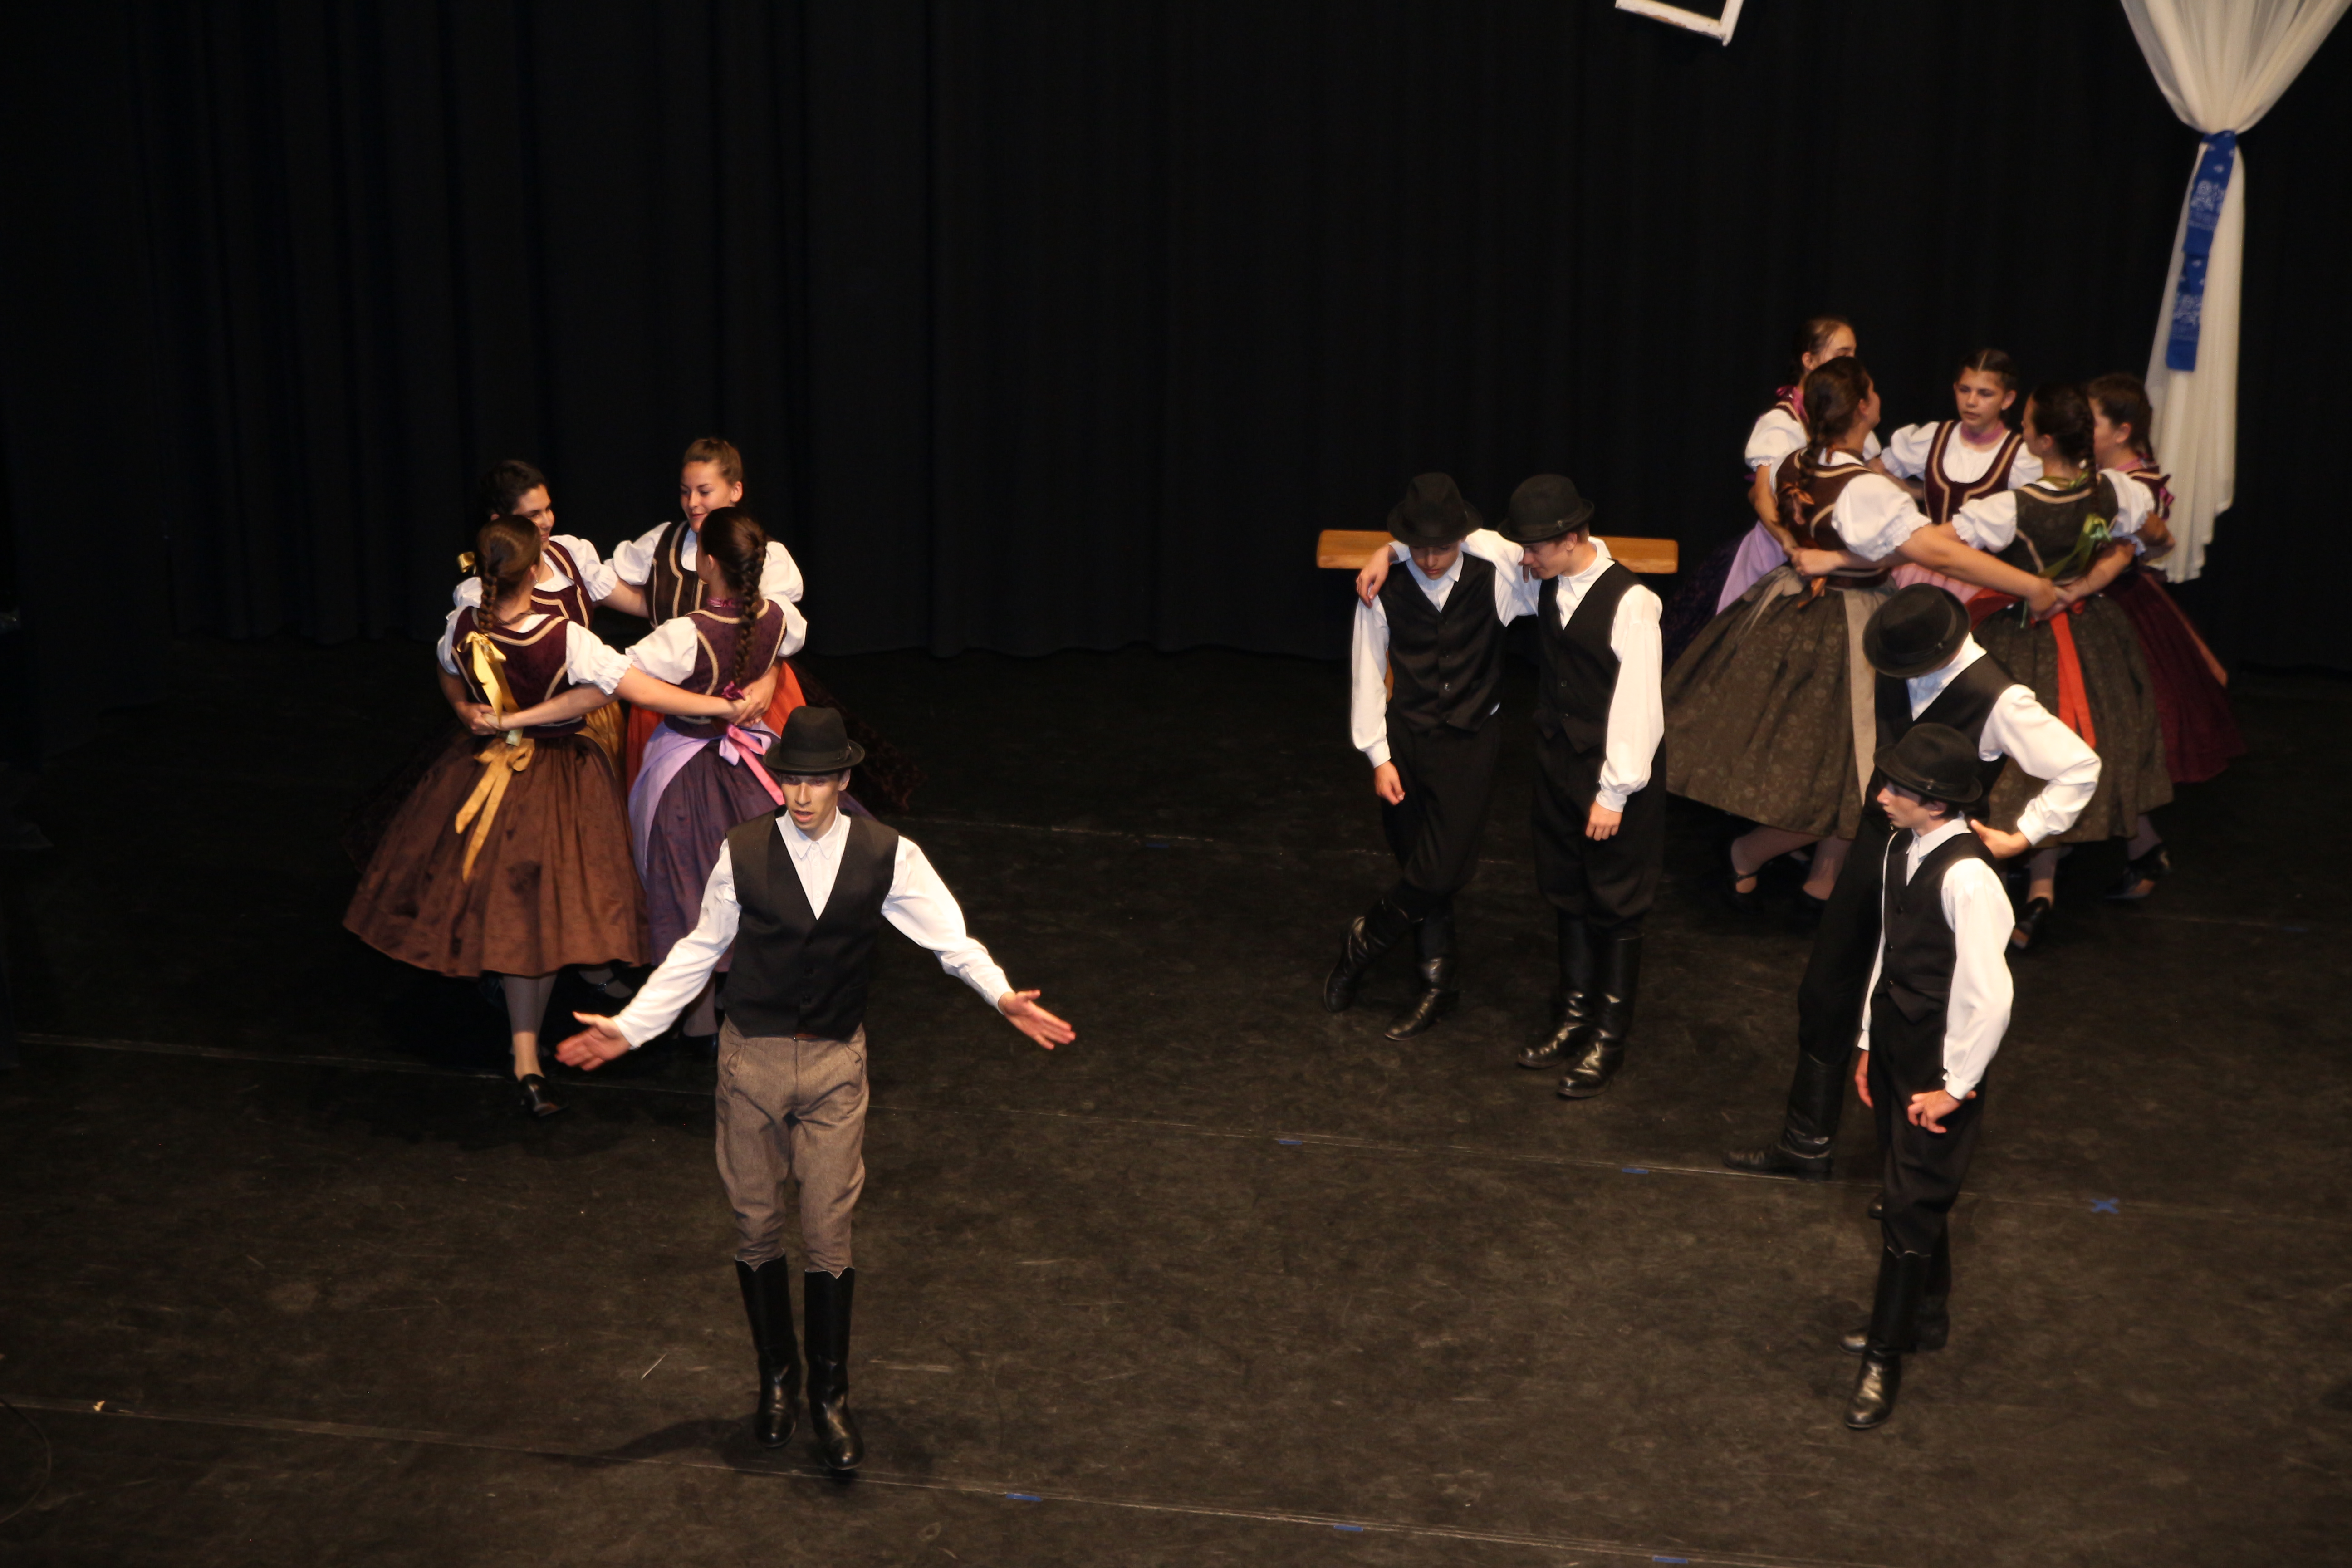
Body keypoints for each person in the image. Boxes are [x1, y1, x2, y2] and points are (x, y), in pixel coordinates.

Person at [554, 706, 1076, 1470]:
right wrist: (631, 1028)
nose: (801, 796)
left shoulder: (886, 854)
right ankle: (778, 1380)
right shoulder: (742, 850)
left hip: (834, 1066)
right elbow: (699, 950)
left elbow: (949, 939)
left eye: (817, 781)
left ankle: (830, 1396)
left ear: (841, 781)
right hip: (752, 1064)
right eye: (791, 781)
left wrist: (1000, 996)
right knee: (757, 1227)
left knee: (829, 1233)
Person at [343, 518, 761, 1117]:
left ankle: (526, 1059)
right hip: (555, 780)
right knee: (538, 912)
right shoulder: (563, 637)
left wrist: (468, 710)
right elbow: (628, 689)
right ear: (536, 571)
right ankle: (530, 1055)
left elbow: (447, 668)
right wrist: (718, 705)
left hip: (481, 770)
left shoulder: (463, 622)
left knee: (517, 913)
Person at [1722, 585, 2097, 1181]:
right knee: (1828, 987)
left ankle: (1909, 1173)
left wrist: (2023, 835)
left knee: (1922, 1009)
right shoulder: (1902, 660)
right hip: (1880, 845)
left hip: (1940, 860)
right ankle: (1806, 1141)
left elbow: (2079, 765)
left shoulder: (2000, 698)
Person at [1666, 358, 2060, 916]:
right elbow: (1938, 553)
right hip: (1845, 620)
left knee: (1848, 761)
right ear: (1861, 409)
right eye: (1872, 391)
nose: (1878, 397)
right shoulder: (1862, 488)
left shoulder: (1799, 462)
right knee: (1855, 764)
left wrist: (1821, 553)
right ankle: (1750, 852)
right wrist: (2030, 585)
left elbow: (1872, 541)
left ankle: (1823, 878)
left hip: (1795, 607)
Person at [1838, 723, 2016, 1430]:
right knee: (1909, 1190)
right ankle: (1928, 1313)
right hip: (1895, 1045)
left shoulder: (1969, 879)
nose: (1882, 796)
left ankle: (1886, 1354)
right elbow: (1890, 948)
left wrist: (1955, 1086)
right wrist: (1866, 1042)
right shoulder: (1901, 847)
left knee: (1907, 1206)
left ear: (1937, 804)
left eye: (1897, 789)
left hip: (1939, 1064)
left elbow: (1989, 997)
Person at [1960, 382, 2172, 951]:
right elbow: (2149, 540)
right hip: (2091, 629)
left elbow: (1949, 551)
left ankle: (2037, 887)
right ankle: (2052, 881)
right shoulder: (2114, 491)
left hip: (2026, 636)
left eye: (2026, 423)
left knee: (2026, 752)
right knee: (2082, 744)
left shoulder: (2011, 507)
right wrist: (2085, 583)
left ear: (2042, 440)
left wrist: (2037, 588)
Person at [1323, 474, 1519, 1039]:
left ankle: (1363, 942)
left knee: (1442, 867)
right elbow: (1367, 671)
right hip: (1407, 740)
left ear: (1464, 536)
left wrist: (1388, 549)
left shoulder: (1498, 575)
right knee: (1417, 861)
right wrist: (1378, 756)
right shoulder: (1385, 587)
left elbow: (1564, 551)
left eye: (1444, 546)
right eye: (1420, 547)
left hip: (1470, 740)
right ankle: (1438, 985)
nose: (1431, 560)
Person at [626, 507, 808, 1053]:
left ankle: (701, 1018)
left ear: (706, 563)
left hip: (688, 769)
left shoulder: (687, 633)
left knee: (692, 886)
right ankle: (749, 998)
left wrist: (707, 705)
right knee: (754, 882)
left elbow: (626, 676)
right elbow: (783, 646)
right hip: (753, 765)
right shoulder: (776, 615)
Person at [2087, 372, 2245, 897]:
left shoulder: (2136, 485)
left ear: (2122, 431)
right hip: (2101, 606)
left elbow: (2142, 544)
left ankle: (2140, 847)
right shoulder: (2102, 474)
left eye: (2091, 422)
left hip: (2116, 611)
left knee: (2113, 731)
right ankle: (2084, 845)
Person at [1659, 316, 1877, 666]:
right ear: (1809, 360)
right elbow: (1761, 496)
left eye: (1854, 353)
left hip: (1834, 561)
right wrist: (1791, 546)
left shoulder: (1849, 418)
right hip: (1779, 554)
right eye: (1842, 352)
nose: (1852, 360)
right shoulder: (1783, 423)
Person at [606, 437, 808, 784]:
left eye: (704, 491)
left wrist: (768, 680)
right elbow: (612, 585)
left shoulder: (764, 553)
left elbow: (774, 630)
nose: (692, 503)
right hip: (673, 701)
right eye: (685, 492)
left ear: (735, 490)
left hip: (752, 693)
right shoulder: (664, 542)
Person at [1875, 348, 2042, 597]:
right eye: (1965, 390)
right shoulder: (1934, 438)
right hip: (1923, 568)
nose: (1971, 401)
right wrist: (1916, 491)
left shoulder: (2020, 456)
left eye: (1985, 394)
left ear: (2007, 400)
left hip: (1980, 579)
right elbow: (1878, 471)